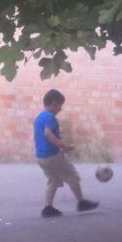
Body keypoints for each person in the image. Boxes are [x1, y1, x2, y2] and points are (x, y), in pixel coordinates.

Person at [34, 89, 99, 218]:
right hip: (53, 156)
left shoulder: (39, 117)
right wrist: (62, 145)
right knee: (72, 175)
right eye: (59, 106)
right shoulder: (50, 117)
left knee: (53, 180)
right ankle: (81, 202)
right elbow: (48, 134)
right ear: (53, 104)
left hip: (41, 157)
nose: (60, 109)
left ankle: (48, 208)